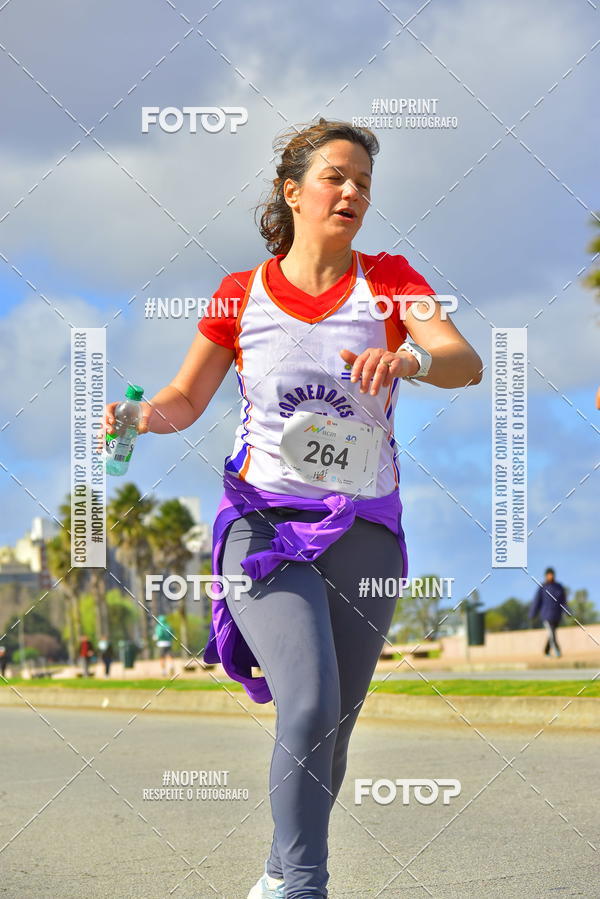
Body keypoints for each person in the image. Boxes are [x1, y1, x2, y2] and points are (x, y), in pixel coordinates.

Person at [104, 118, 482, 899]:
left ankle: (279, 872)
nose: (352, 192)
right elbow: (185, 398)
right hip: (263, 525)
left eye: (365, 184)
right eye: (336, 176)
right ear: (292, 191)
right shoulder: (239, 295)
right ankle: (306, 886)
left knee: (334, 723)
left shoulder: (392, 280)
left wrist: (408, 355)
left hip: (366, 526)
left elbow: (463, 361)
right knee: (307, 700)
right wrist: (142, 416)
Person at [529, 567, 569, 658]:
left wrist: (567, 611)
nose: (550, 576)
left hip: (557, 615)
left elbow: (563, 602)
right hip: (546, 615)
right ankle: (558, 652)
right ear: (546, 576)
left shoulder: (559, 587)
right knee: (552, 634)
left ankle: (546, 651)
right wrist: (532, 614)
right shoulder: (542, 587)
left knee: (551, 634)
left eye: (552, 574)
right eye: (549, 574)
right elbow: (537, 601)